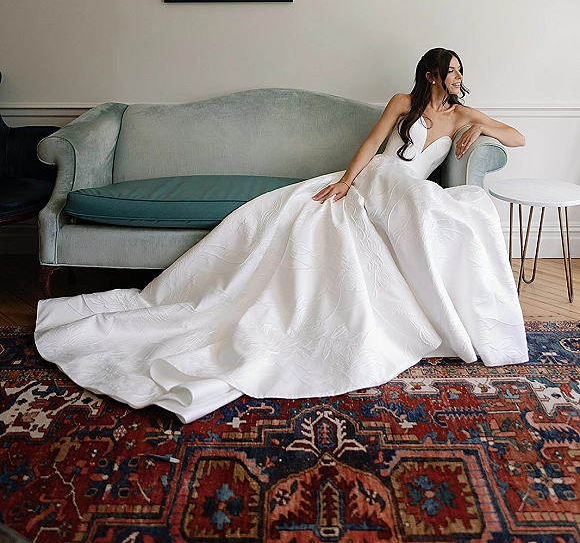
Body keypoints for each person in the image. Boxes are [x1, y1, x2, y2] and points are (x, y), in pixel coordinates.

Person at [35, 48, 528, 423]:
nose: (461, 79)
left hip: (411, 192)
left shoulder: (465, 114)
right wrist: (345, 180)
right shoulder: (404, 103)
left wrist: (479, 130)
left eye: (462, 72)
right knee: (339, 209)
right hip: (379, 179)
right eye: (455, 71)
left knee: (435, 207)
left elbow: (517, 136)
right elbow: (372, 144)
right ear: (431, 75)